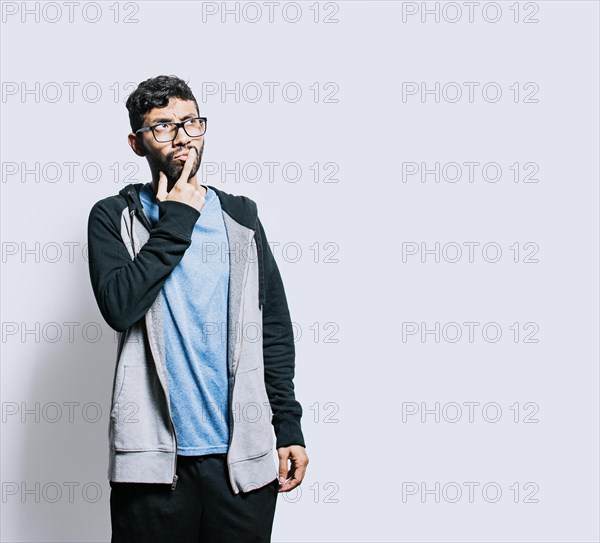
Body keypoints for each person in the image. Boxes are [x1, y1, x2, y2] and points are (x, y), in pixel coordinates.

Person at [86, 75, 309, 543]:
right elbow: (119, 306)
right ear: (136, 142)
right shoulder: (114, 217)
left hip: (240, 464)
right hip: (151, 468)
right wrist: (178, 219)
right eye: (163, 126)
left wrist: (288, 425)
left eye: (190, 121)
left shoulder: (240, 217)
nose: (182, 135)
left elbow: (273, 329)